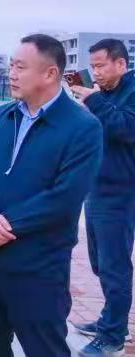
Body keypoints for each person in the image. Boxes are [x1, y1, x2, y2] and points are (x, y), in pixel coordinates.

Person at [0, 34, 103, 357]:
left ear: (50, 74)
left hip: (39, 267)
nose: (12, 74)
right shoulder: (4, 116)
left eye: (21, 67)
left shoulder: (82, 127)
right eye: (11, 66)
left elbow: (64, 197)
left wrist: (1, 227)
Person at [69, 39, 135, 357]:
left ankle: (113, 336)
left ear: (120, 64)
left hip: (122, 192)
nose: (95, 72)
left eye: (100, 66)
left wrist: (94, 100)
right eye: (92, 66)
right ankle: (111, 319)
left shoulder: (130, 92)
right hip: (96, 187)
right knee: (99, 263)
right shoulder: (104, 94)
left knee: (114, 266)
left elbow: (126, 128)